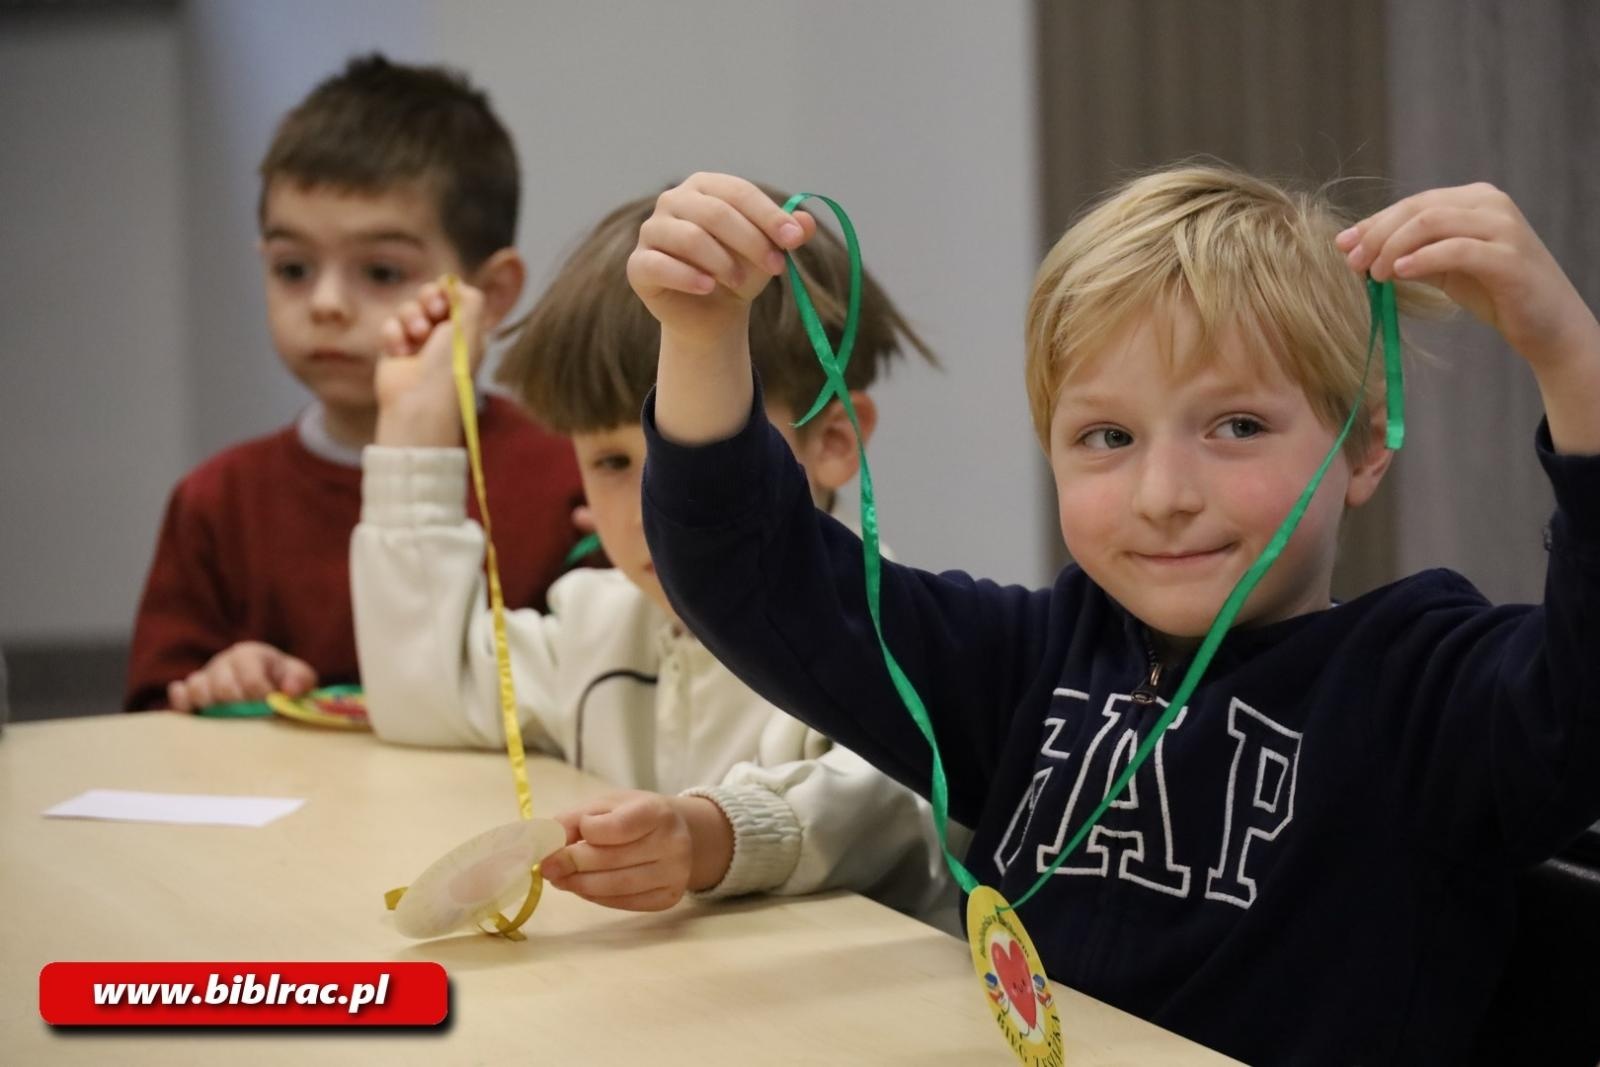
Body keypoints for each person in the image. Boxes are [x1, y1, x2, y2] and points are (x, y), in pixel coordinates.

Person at [632, 167, 1600, 1064]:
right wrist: (704, 337)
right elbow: (751, 577)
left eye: (1236, 426)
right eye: (1106, 436)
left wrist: (1567, 351)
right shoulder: (1033, 660)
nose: (1163, 492)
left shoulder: (1424, 693)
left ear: (1364, 446)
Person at [352, 190, 958, 925]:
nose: (655, 505)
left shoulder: (890, 628)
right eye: (612, 460)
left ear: (832, 441)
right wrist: (415, 423)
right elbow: (426, 690)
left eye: (699, 454)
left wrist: (708, 836)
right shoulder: (599, 620)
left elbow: (882, 803)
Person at [124, 54, 583, 712]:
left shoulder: (568, 480)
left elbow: (605, 695)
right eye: (292, 268)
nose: (326, 304)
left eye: (382, 271)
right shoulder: (218, 501)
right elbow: (149, 719)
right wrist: (222, 682)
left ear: (492, 291)